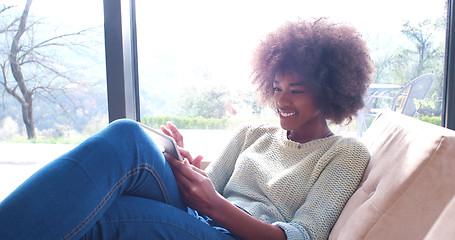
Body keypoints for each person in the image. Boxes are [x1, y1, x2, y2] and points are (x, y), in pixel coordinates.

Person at [0, 18, 374, 240]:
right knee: (127, 137)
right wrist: (183, 162)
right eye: (276, 88)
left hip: (229, 234)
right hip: (201, 217)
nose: (282, 100)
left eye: (297, 90)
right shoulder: (254, 134)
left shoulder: (344, 153)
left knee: (106, 214)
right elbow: (210, 182)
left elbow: (302, 237)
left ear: (329, 92)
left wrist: (213, 202)